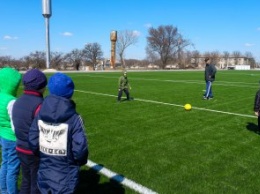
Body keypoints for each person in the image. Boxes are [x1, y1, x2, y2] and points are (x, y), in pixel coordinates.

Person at [29, 72, 89, 194]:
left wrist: (43, 154)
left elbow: (32, 139)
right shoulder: (75, 118)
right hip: (66, 174)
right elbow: (80, 149)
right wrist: (77, 162)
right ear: (70, 93)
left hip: (44, 171)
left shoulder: (40, 113)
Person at [12, 69, 47, 194]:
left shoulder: (18, 101)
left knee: (26, 180)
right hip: (33, 150)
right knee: (36, 182)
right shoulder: (40, 105)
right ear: (41, 86)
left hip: (20, 147)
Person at [0, 67, 22, 194]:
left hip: (2, 135)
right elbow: (16, 125)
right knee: (13, 169)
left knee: (5, 163)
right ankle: (11, 191)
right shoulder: (11, 101)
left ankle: (3, 190)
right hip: (12, 138)